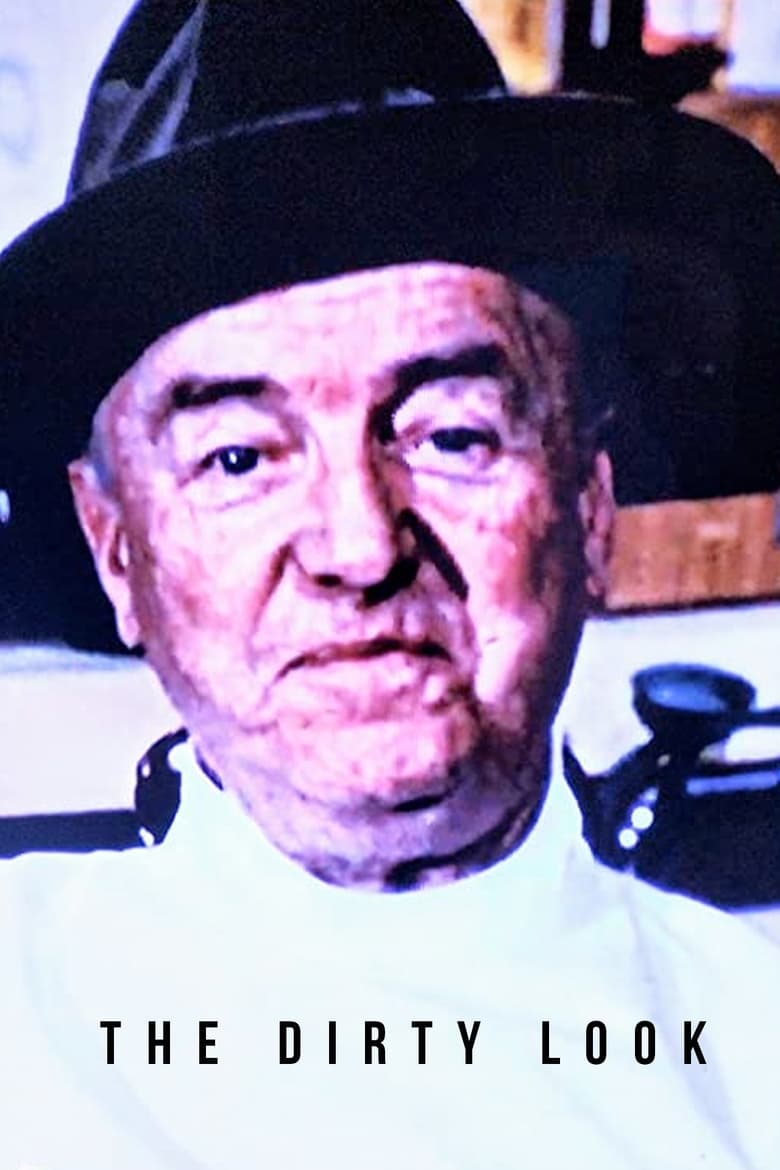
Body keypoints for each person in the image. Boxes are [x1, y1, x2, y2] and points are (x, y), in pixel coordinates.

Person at [1, 1, 780, 1166]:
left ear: (587, 506)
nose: (360, 549)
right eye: (238, 458)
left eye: (452, 435)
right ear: (117, 549)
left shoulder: (755, 1052)